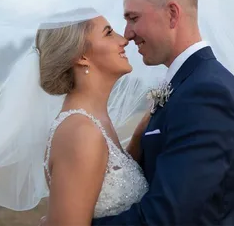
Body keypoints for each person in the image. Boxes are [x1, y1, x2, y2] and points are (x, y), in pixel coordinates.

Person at [90, 0, 234, 226]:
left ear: (172, 14)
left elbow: (166, 217)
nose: (128, 34)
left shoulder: (207, 93)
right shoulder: (189, 84)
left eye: (133, 18)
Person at [36, 15, 152, 225]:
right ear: (81, 56)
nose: (123, 40)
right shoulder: (81, 132)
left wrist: (137, 140)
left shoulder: (94, 122)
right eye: (108, 33)